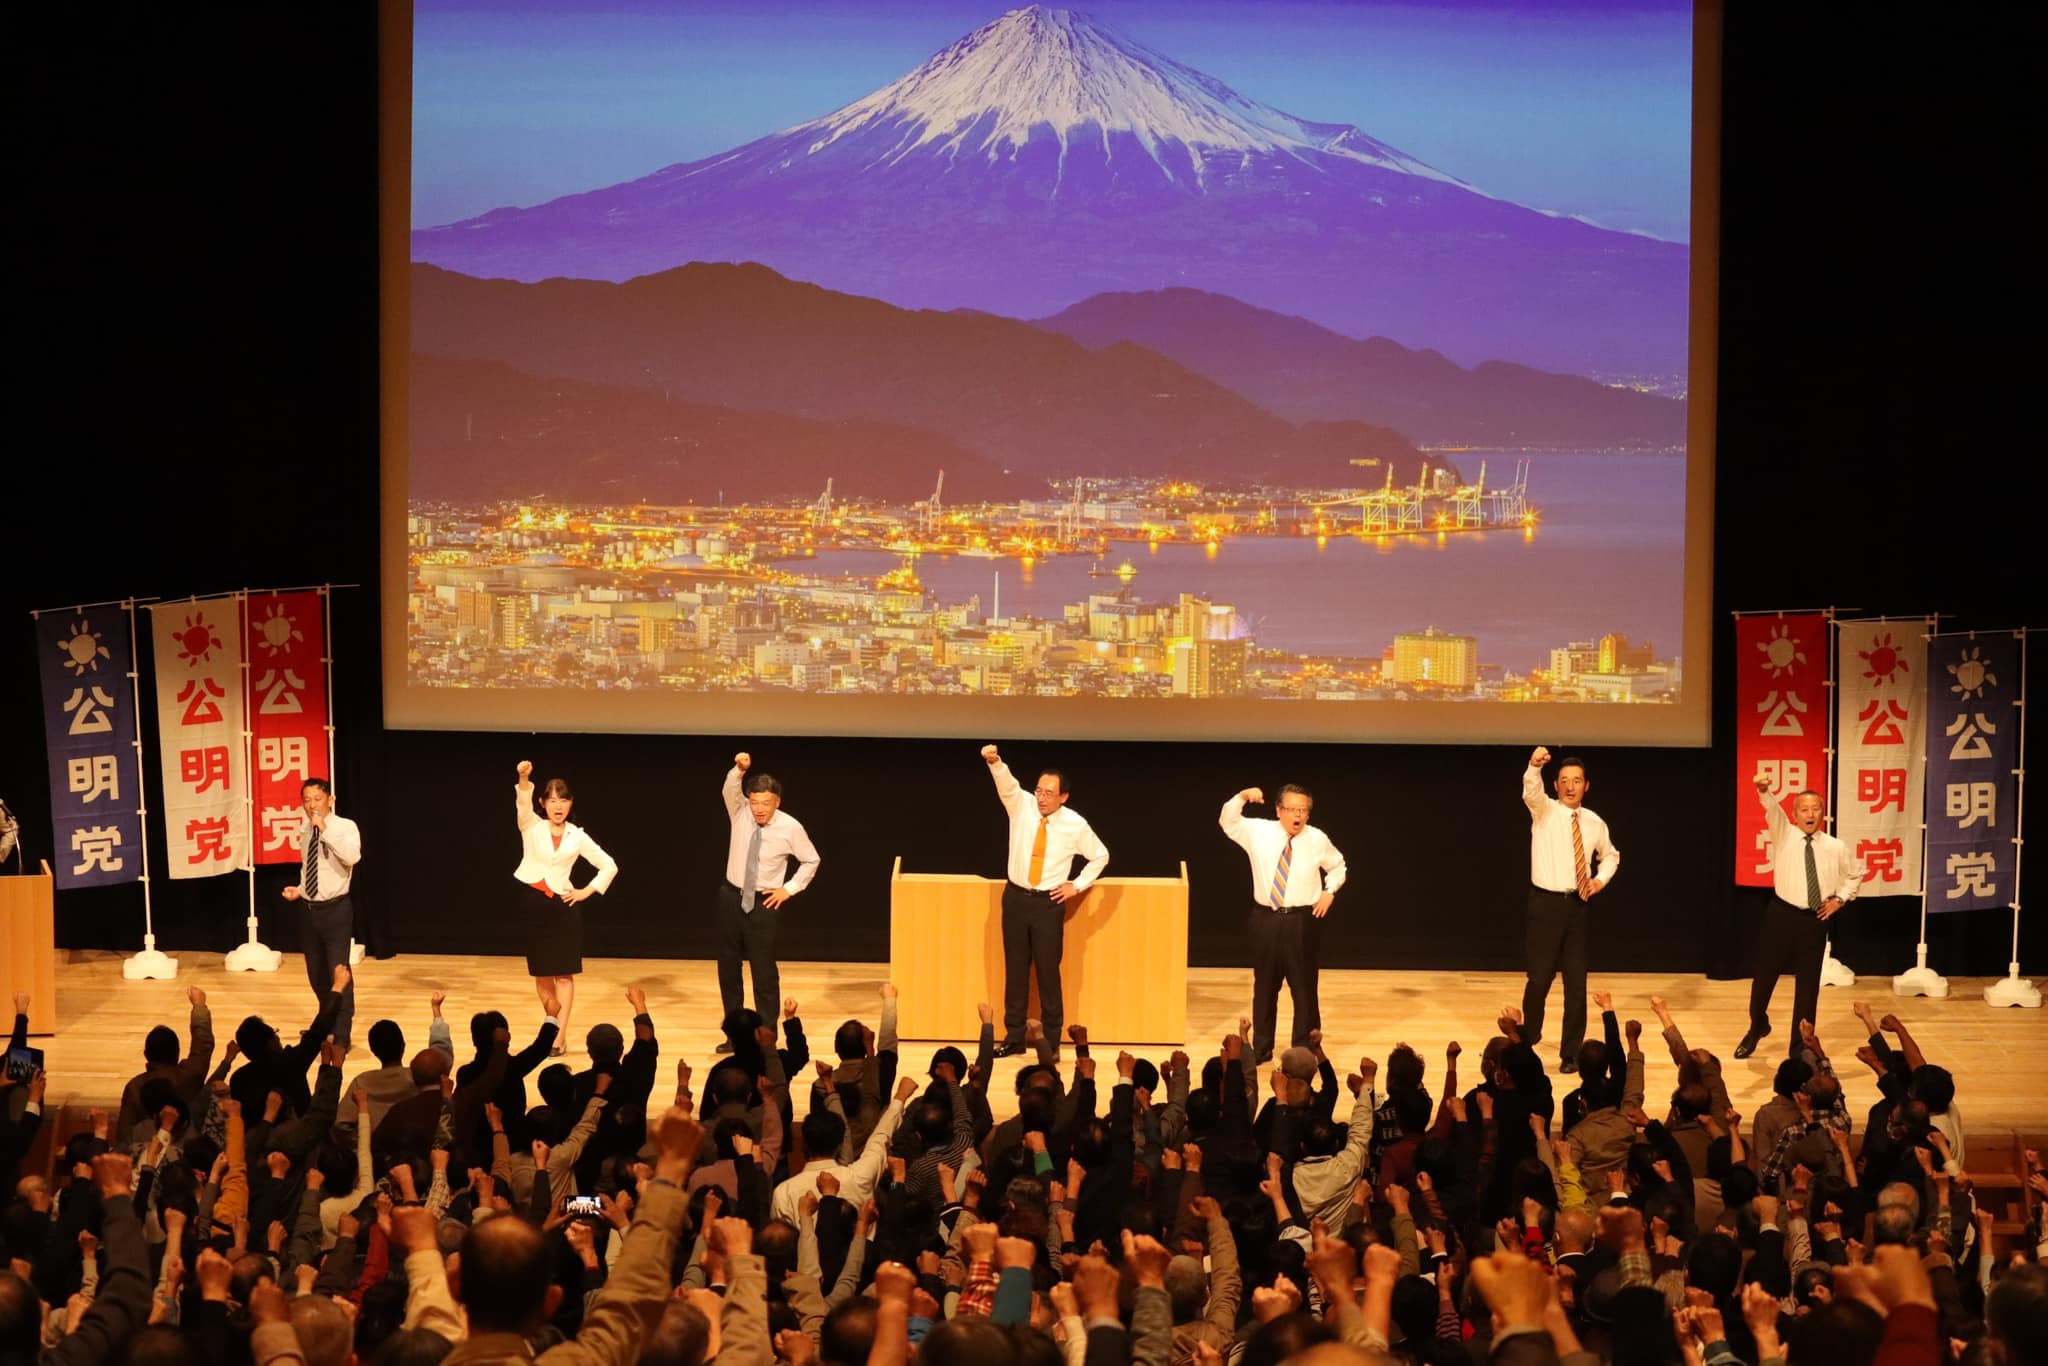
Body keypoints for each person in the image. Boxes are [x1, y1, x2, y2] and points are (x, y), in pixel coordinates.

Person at [981, 744, 1109, 1059]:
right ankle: (1013, 1036)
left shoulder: (1075, 823)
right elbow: (1007, 784)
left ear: (1063, 797)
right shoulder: (1021, 806)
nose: (1041, 797)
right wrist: (995, 762)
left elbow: (1100, 855)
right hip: (1015, 899)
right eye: (1039, 790)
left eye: (1049, 793)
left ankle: (1050, 1042)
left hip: (1047, 905)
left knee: (1048, 973)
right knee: (1015, 969)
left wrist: (1076, 886)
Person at [1220, 785, 1347, 1064]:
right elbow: (1227, 821)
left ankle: (1302, 1050)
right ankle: (1262, 1049)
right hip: (1265, 918)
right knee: (1264, 986)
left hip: (1302, 920)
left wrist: (1330, 891)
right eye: (1292, 809)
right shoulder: (1259, 831)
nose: (1298, 816)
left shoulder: (1316, 839)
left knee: (1303, 988)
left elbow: (1338, 865)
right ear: (1278, 810)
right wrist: (1242, 797)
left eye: (1303, 810)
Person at [1738, 774, 1862, 1059]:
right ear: (1794, 815)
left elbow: (1854, 875)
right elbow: (1772, 807)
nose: (1810, 814)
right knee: (1763, 980)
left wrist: (1840, 899)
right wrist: (1763, 789)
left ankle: (1800, 1047)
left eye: (1815, 809)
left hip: (1814, 919)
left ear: (1823, 813)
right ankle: (1758, 1025)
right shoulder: (1785, 834)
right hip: (1780, 914)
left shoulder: (1835, 846)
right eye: (1804, 810)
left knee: (1807, 988)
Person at [1520, 746, 1619, 1073]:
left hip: (1578, 907)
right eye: (1564, 780)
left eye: (1577, 780)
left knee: (1576, 985)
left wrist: (1599, 881)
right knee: (1538, 981)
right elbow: (1530, 791)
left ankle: (1570, 1053)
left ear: (1586, 785)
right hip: (1545, 906)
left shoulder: (1594, 822)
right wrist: (1535, 767)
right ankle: (1528, 1040)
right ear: (1556, 786)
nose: (1570, 786)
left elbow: (1611, 856)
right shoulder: (1544, 811)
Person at [512, 759, 618, 1056]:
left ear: (571, 804)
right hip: (533, 905)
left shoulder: (577, 835)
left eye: (564, 800)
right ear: (543, 803)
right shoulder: (531, 825)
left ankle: (559, 1036)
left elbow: (609, 865)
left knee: (563, 975)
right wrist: (523, 777)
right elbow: (522, 803)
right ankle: (550, 1026)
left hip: (563, 908)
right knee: (542, 974)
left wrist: (586, 891)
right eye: (552, 800)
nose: (558, 806)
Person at [716, 752, 820, 1052]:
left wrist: (789, 888)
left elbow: (811, 860)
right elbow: (729, 789)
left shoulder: (790, 827)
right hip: (730, 898)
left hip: (764, 904)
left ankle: (766, 1035)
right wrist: (738, 769)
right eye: (755, 802)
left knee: (763, 971)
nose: (759, 809)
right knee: (728, 969)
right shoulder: (740, 812)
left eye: (766, 803)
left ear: (777, 802)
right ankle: (734, 1034)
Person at [279, 777, 362, 1050]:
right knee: (316, 974)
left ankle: (342, 1034)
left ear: (330, 800)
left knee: (339, 971)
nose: (311, 805)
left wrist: (324, 830)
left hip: (336, 910)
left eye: (317, 799)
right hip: (309, 911)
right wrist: (300, 890)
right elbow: (309, 869)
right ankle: (326, 1023)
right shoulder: (305, 829)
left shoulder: (345, 827)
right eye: (306, 800)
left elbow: (351, 858)